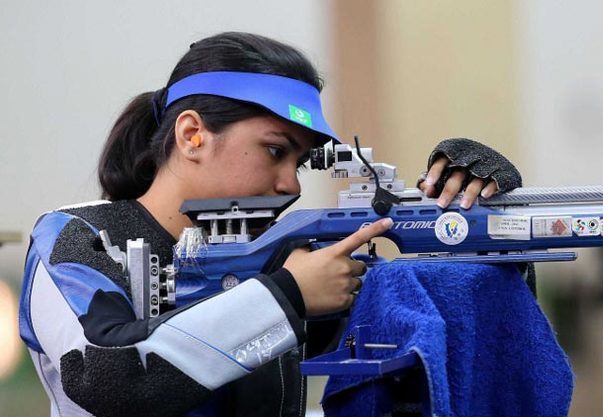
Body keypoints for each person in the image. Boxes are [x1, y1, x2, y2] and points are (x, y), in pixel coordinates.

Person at [18, 32, 522, 417]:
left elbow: (444, 334)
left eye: (300, 162)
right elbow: (108, 374)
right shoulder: (79, 239)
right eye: (275, 151)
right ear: (193, 134)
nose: (292, 186)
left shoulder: (281, 258)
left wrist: (478, 220)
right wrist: (287, 296)